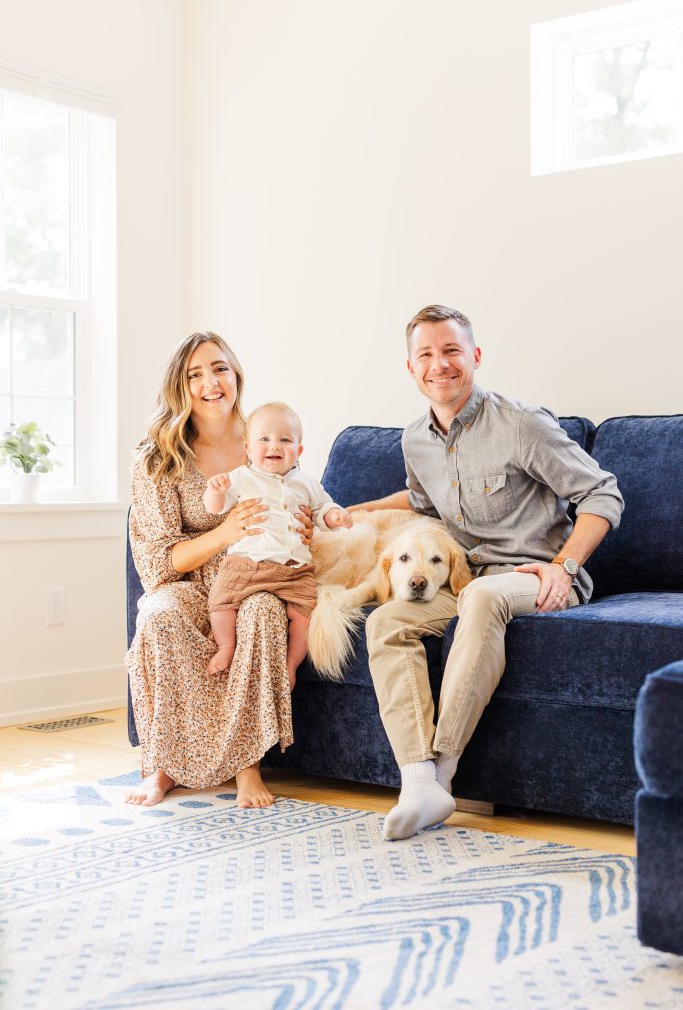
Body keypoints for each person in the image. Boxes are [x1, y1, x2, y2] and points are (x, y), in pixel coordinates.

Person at [353, 305, 624, 840]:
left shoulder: (521, 423)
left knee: (482, 599)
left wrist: (564, 567)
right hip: (467, 578)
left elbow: (603, 492)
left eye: (451, 350)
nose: (440, 364)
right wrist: (356, 512)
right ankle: (416, 780)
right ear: (411, 369)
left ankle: (444, 770)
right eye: (425, 354)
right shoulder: (415, 439)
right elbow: (423, 506)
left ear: (474, 356)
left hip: (534, 577)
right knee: (386, 620)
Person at [125, 332, 314, 809]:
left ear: (236, 376)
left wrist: (307, 525)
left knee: (263, 616)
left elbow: (303, 501)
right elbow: (156, 563)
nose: (211, 383)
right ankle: (162, 768)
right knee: (159, 618)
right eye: (195, 374)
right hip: (187, 582)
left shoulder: (266, 439)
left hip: (257, 576)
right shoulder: (158, 457)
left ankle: (246, 766)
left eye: (220, 369)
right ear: (180, 386)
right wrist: (224, 532)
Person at [203, 401, 352, 687]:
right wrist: (214, 491)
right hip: (246, 565)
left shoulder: (307, 483)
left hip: (294, 570)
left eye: (285, 440)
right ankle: (226, 647)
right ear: (247, 449)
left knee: (305, 615)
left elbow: (322, 509)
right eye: (265, 439)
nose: (275, 446)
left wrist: (335, 516)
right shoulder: (241, 478)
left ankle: (291, 664)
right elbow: (215, 509)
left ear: (299, 451)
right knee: (220, 602)